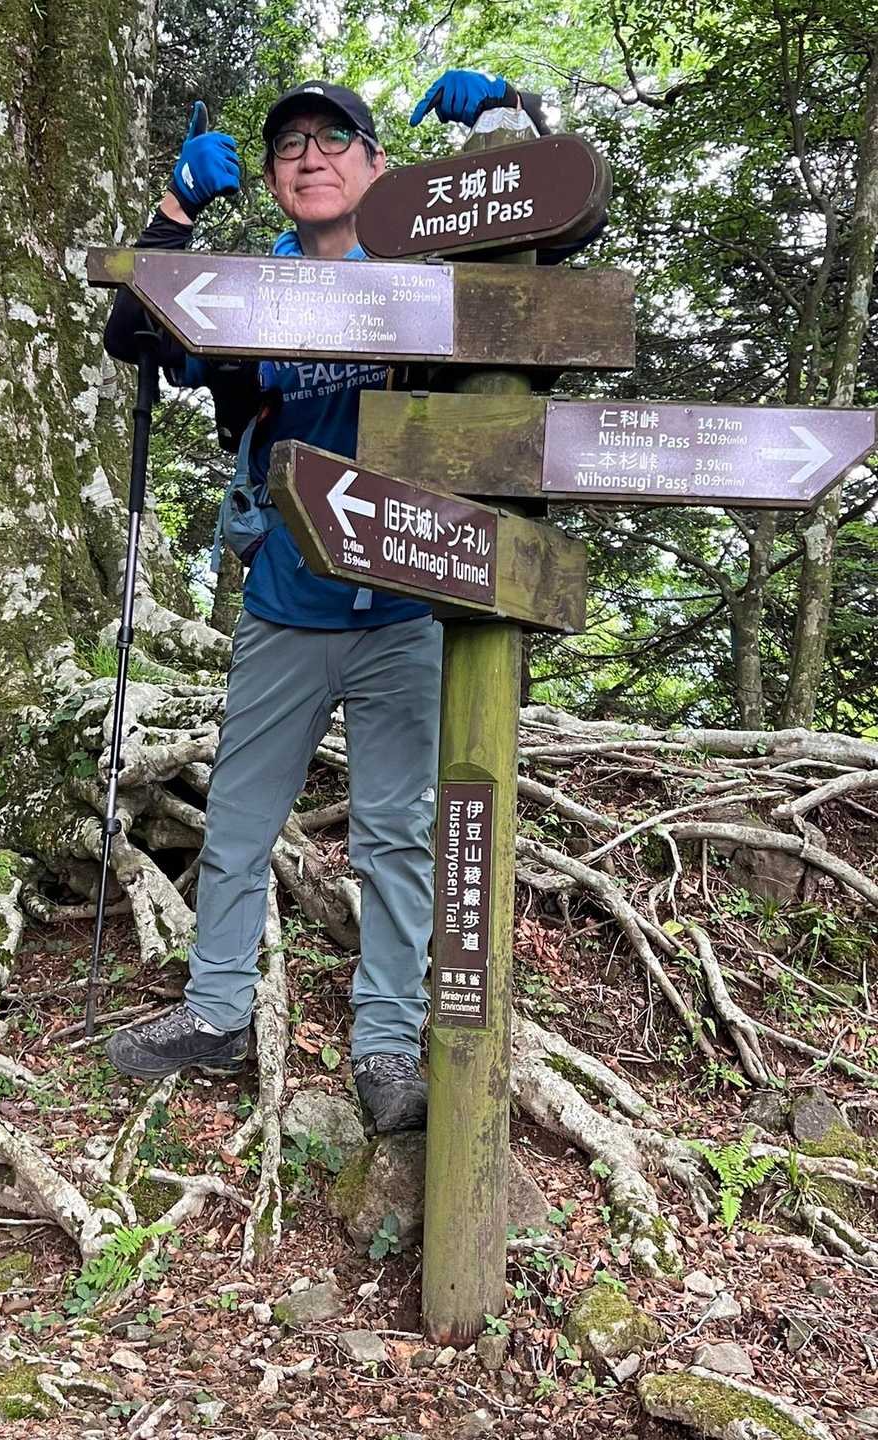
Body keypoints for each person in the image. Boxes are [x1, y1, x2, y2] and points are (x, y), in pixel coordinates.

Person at [103, 71, 597, 1135]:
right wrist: (178, 207)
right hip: (286, 605)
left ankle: (385, 1047)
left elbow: (549, 262)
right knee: (238, 824)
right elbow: (132, 335)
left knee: (395, 839)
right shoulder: (244, 292)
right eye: (290, 146)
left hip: (408, 607)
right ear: (274, 183)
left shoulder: (431, 275)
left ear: (379, 166)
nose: (311, 156)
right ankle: (216, 1012)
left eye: (335, 138)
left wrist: (509, 117)